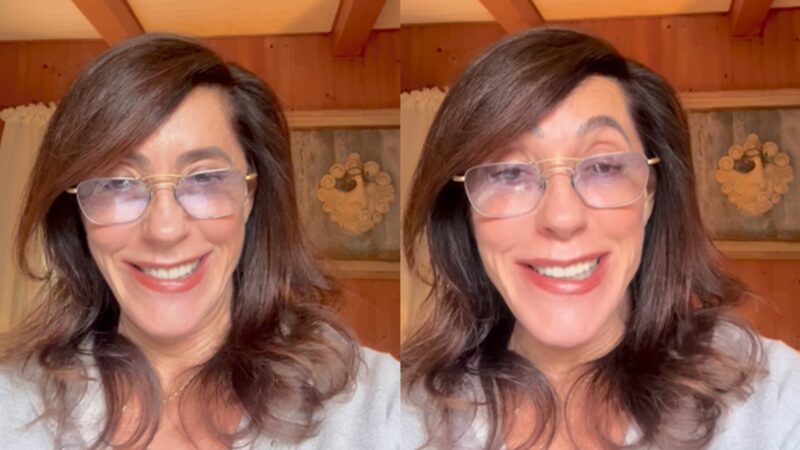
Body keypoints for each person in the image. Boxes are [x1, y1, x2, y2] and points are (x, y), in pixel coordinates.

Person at [401, 28, 800, 449]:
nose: (562, 216)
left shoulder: (772, 400)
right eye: (509, 172)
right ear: (463, 210)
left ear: (649, 194)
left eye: (604, 166)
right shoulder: (405, 415)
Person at [0, 34, 399, 449]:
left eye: (205, 178)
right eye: (117, 183)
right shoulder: (11, 406)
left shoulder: (377, 406)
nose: (165, 229)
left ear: (250, 195)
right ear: (77, 212)